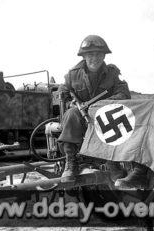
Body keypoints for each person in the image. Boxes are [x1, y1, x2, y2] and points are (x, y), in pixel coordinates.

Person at [58, 35, 131, 182]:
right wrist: (70, 104)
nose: (94, 58)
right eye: (90, 54)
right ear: (84, 56)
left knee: (114, 114)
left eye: (98, 54)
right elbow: (63, 93)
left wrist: (102, 105)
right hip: (80, 117)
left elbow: (123, 93)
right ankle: (70, 163)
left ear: (104, 55)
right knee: (71, 114)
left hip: (105, 115)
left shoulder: (113, 73)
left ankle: (113, 162)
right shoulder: (73, 75)